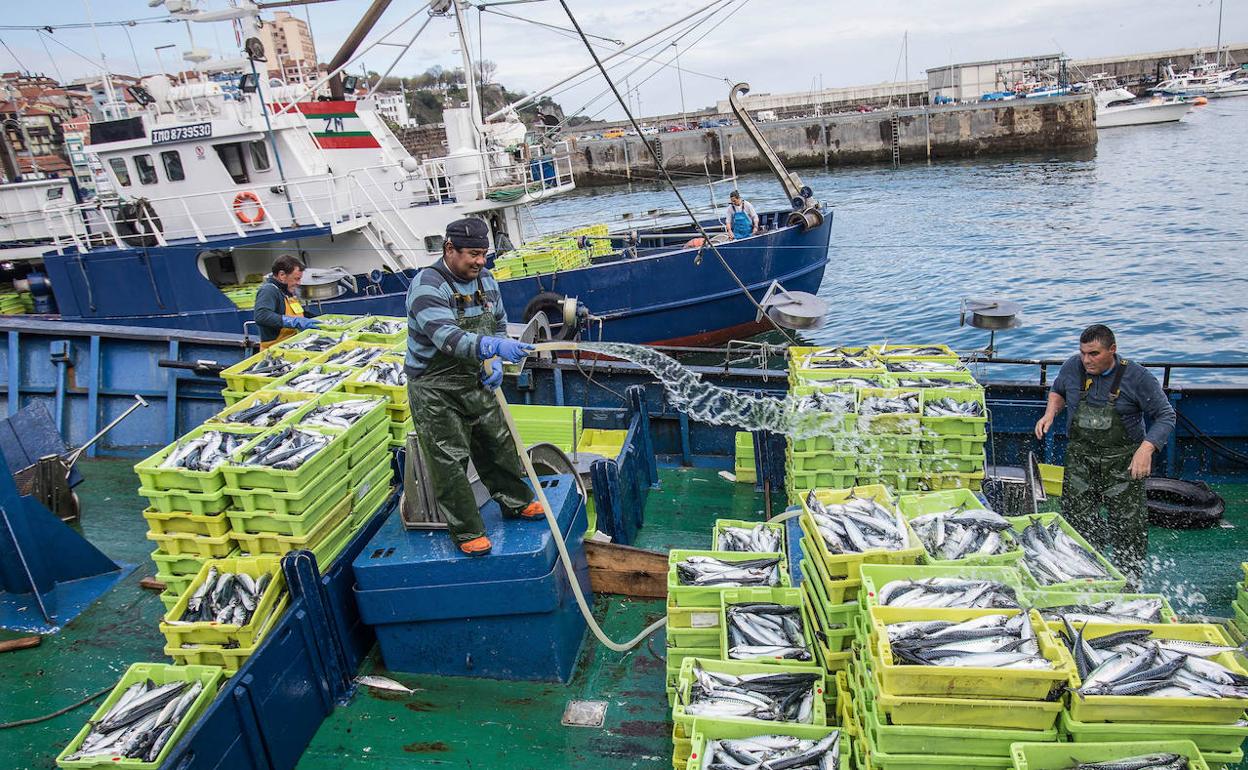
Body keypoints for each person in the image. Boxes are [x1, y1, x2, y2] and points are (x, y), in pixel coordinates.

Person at [405, 217, 539, 557]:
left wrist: (496, 355)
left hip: (476, 377)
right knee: (449, 460)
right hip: (435, 389)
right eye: (473, 254)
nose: (480, 261)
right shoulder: (427, 285)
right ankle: (467, 531)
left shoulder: (487, 280)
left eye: (484, 254)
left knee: (498, 442)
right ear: (450, 249)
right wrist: (492, 348)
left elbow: (497, 322)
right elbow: (447, 338)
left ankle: (516, 501)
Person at [1034, 324, 1175, 588]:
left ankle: (1128, 584)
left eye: (1094, 354)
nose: (1086, 360)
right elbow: (1058, 390)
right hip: (1080, 459)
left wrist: (1146, 449)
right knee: (1077, 523)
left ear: (1112, 350)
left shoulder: (1138, 377)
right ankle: (1085, 579)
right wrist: (1050, 413)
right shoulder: (1073, 367)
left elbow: (1166, 415)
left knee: (1128, 528)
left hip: (1122, 463)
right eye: (1083, 353)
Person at [254, 255, 319, 349]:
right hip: (275, 351)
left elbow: (297, 313)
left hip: (292, 345)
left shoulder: (286, 291)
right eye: (296, 279)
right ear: (282, 275)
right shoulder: (268, 290)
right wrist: (295, 322)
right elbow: (261, 316)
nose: (299, 283)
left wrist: (318, 319)